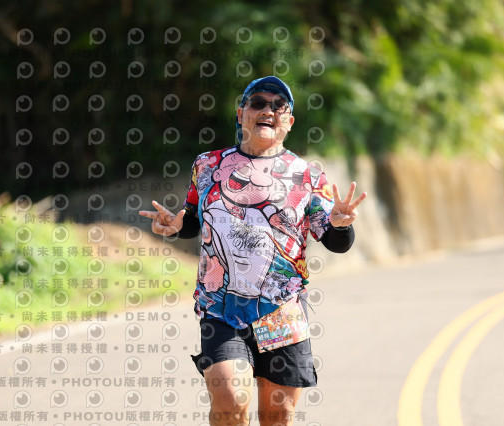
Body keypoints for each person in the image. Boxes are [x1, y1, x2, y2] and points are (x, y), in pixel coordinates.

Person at [140, 76, 367, 426]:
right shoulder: (208, 165)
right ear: (241, 114)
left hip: (282, 310)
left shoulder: (307, 176)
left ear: (289, 122)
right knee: (230, 401)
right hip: (221, 309)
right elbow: (194, 217)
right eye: (258, 103)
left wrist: (340, 223)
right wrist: (175, 225)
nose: (268, 110)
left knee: (278, 417)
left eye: (279, 106)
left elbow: (337, 242)